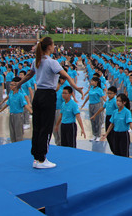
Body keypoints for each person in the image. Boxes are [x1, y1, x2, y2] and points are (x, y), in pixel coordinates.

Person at [17, 37, 83, 169]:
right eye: (53, 45)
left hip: (38, 95)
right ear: (49, 47)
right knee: (46, 127)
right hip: (48, 95)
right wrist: (76, 88)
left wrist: (18, 84)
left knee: (37, 126)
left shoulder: (37, 61)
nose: (54, 47)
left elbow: (29, 75)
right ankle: (42, 159)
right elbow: (67, 76)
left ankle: (36, 157)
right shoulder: (52, 62)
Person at [0, 77, 33, 143]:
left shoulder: (20, 95)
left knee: (18, 132)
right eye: (10, 84)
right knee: (12, 132)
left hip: (18, 115)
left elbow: (25, 105)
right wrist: (1, 110)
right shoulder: (11, 94)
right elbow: (8, 103)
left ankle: (19, 146)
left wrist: (31, 112)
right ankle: (13, 144)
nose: (10, 86)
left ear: (16, 86)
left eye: (12, 85)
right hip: (11, 114)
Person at [90, 86, 118, 153]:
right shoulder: (108, 101)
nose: (109, 95)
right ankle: (113, 150)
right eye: (108, 93)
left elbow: (118, 110)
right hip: (108, 118)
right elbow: (102, 108)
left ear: (114, 94)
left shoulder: (115, 101)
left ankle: (115, 150)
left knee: (113, 135)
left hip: (113, 118)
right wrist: (95, 115)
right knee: (108, 135)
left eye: (110, 93)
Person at [81, 77, 106, 141]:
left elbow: (103, 97)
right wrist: (84, 103)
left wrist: (108, 103)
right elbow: (88, 96)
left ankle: (98, 135)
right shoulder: (91, 88)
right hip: (91, 105)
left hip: (97, 105)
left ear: (96, 82)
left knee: (97, 120)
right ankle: (94, 134)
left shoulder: (99, 90)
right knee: (92, 120)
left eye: (92, 81)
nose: (91, 82)